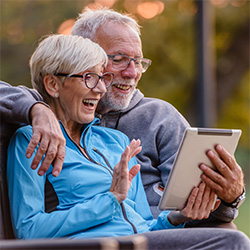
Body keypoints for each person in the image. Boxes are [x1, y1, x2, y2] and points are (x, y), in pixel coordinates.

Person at [0, 8, 245, 225]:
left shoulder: (158, 118)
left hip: (161, 230)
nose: (132, 72)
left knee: (228, 233)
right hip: (100, 237)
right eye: (118, 59)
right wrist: (37, 110)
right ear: (83, 54)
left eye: (138, 62)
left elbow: (195, 206)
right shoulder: (51, 102)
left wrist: (231, 198)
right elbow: (32, 225)